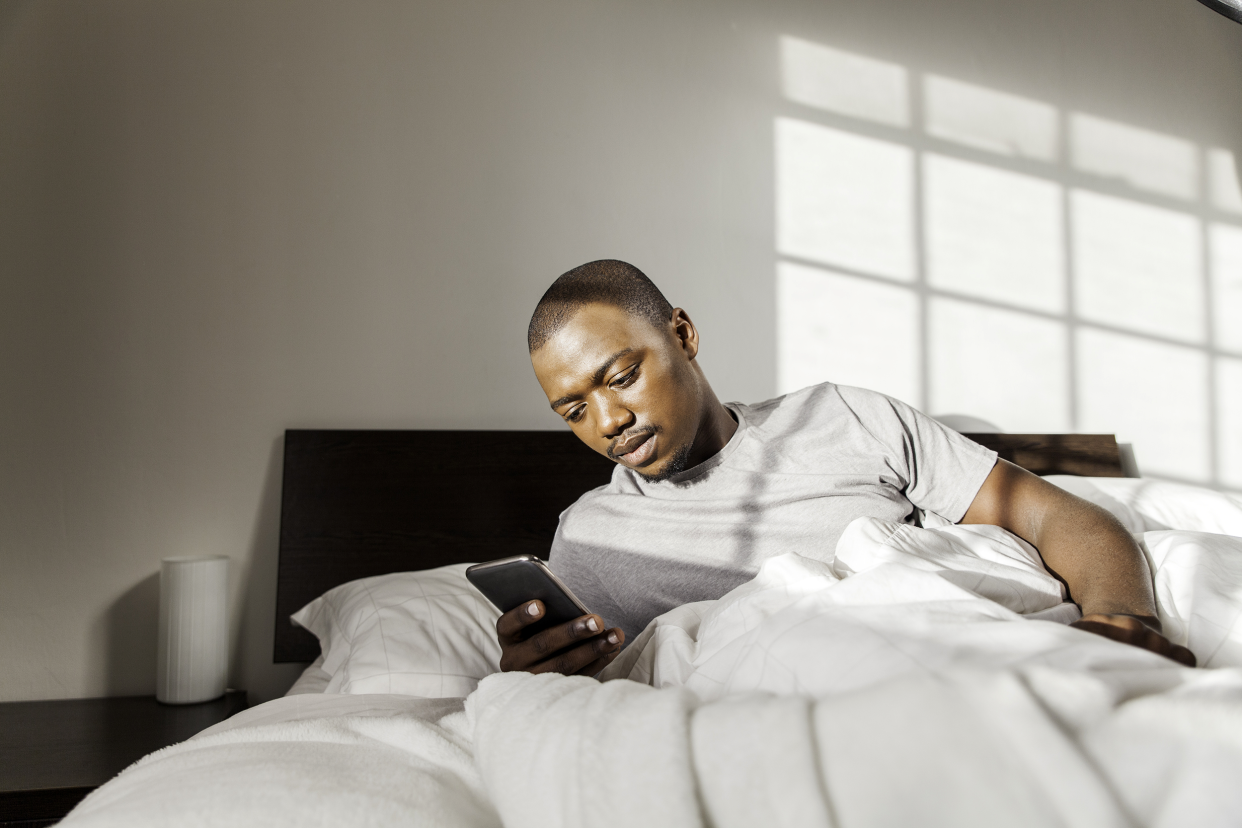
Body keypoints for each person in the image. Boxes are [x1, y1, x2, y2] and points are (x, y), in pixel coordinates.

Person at [496, 259, 1196, 676]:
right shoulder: (589, 540)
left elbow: (1053, 514)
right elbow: (623, 694)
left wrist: (1122, 619)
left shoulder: (843, 419)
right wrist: (539, 675)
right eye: (572, 410)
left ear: (682, 334)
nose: (608, 422)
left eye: (620, 376)